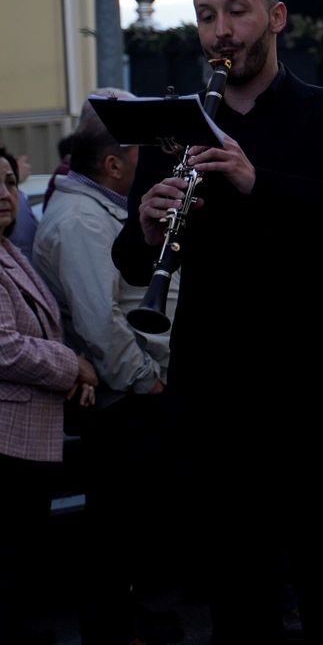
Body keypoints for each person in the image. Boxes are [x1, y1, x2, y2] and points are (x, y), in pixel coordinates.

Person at [113, 0, 323, 643]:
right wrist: (146, 225)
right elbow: (127, 256)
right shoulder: (174, 123)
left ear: (276, 16)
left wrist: (256, 180)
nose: (221, 30)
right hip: (211, 385)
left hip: (309, 381)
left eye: (237, 11)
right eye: (207, 16)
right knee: (236, 585)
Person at [34, 94, 179, 644]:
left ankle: (130, 619)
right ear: (113, 165)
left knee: (128, 524)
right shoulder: (79, 222)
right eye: (136, 155)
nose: (146, 163)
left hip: (126, 391)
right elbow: (100, 320)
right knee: (115, 527)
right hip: (122, 400)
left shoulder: (93, 212)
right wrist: (149, 379)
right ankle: (115, 630)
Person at [2, 151, 97, 645]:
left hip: (26, 432)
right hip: (8, 437)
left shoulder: (10, 249)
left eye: (9, 182)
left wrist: (73, 369)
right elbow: (4, 346)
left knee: (25, 552)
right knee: (13, 555)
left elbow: (41, 325)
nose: (4, 194)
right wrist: (71, 367)